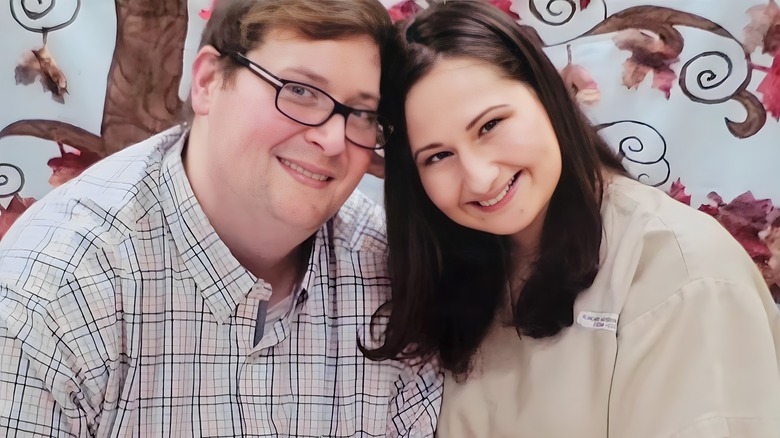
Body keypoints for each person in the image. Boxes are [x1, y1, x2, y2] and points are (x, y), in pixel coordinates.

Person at [0, 0, 442, 436]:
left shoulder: (393, 278)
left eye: (362, 114)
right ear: (209, 81)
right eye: (300, 91)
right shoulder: (51, 297)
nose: (331, 139)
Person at [364, 0, 780, 436]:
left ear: (546, 96)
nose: (479, 177)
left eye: (490, 126)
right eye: (438, 156)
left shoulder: (681, 272)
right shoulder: (465, 272)